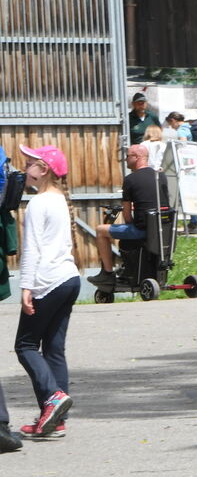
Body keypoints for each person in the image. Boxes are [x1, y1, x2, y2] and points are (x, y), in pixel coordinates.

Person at [14, 144, 78, 440]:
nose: (25, 168)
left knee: (26, 345)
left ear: (44, 170)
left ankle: (53, 398)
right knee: (53, 348)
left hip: (48, 281)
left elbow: (32, 250)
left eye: (30, 163)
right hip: (69, 278)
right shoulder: (59, 199)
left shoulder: (38, 203)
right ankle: (55, 420)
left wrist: (26, 287)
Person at [88, 144, 168, 288]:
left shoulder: (130, 179)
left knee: (100, 230)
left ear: (136, 157)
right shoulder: (160, 176)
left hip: (142, 229)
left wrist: (130, 222)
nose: (125, 160)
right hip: (161, 229)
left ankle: (107, 273)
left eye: (128, 156)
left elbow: (126, 214)